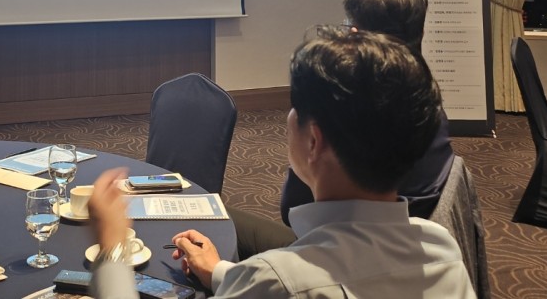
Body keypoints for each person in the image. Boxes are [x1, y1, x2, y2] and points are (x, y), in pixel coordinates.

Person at [87, 28, 476, 299]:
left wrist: (112, 251)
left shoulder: (276, 281)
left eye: (294, 108)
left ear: (314, 141)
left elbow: (282, 285)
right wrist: (220, 273)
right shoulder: (440, 249)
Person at [232, 0, 455, 259]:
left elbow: (294, 210)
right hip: (406, 246)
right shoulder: (429, 107)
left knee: (215, 219)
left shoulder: (342, 115)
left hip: (334, 252)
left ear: (355, 34)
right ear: (420, 33)